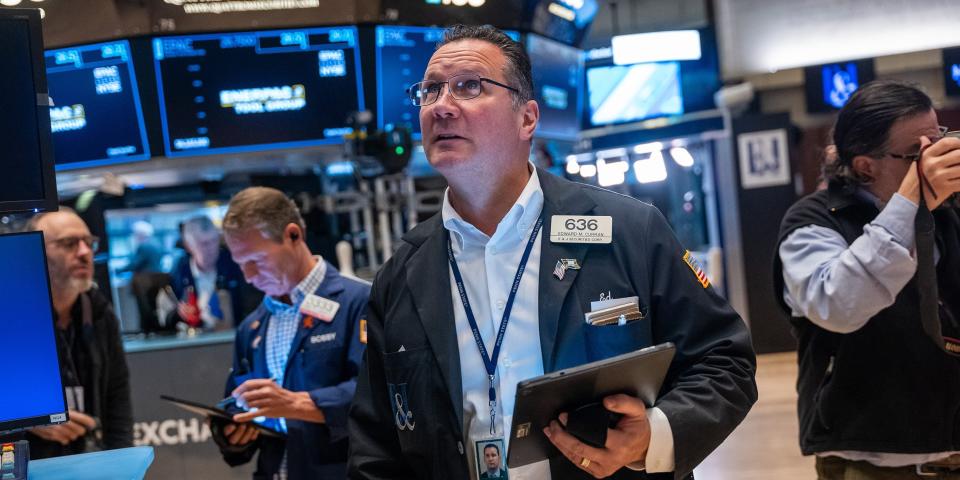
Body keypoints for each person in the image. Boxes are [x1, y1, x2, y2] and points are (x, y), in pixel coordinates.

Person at [349, 25, 757, 480]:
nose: (441, 105)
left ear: (527, 118)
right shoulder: (403, 274)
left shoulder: (627, 230)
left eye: (469, 86)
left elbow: (724, 360)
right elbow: (376, 445)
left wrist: (654, 435)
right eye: (430, 91)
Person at [774, 80, 960, 478]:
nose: (933, 159)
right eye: (916, 153)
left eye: (939, 138)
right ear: (864, 166)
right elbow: (838, 304)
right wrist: (909, 201)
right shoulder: (812, 221)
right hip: (869, 458)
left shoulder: (948, 210)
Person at [211, 187, 369, 479]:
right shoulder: (252, 327)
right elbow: (239, 412)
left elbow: (377, 395)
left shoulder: (358, 302)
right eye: (240, 264)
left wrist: (296, 404)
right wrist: (233, 433)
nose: (247, 276)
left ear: (293, 235)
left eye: (255, 260)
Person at [5, 209, 133, 458]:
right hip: (25, 464)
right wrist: (25, 418)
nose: (85, 253)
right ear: (34, 252)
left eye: (89, 243)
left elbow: (117, 400)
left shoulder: (99, 312)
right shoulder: (9, 316)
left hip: (86, 460)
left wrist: (121, 463)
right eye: (69, 244)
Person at [163, 215, 261, 330]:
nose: (211, 248)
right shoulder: (179, 272)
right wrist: (179, 313)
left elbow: (253, 311)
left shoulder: (236, 267)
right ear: (189, 246)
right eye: (204, 244)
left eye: (214, 241)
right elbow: (166, 319)